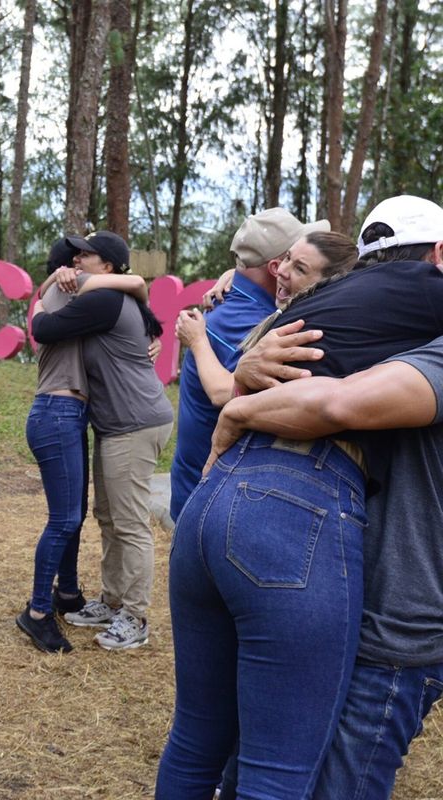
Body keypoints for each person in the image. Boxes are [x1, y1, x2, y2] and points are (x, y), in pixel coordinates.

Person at [155, 195, 443, 799]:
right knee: (275, 777)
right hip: (300, 507)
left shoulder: (328, 304)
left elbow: (244, 378)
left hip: (216, 496)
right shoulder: (423, 302)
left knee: (196, 741)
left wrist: (237, 399)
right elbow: (333, 404)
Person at [32, 231, 174, 651]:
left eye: (86, 255)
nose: (77, 260)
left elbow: (44, 327)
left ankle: (135, 615)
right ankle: (112, 601)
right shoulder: (109, 293)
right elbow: (138, 290)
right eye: (74, 255)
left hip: (134, 421)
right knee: (109, 517)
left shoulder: (103, 299)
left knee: (129, 522)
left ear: (108, 266)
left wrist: (40, 298)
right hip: (116, 423)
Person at [168, 207, 330, 525]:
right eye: (295, 258)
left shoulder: (235, 305)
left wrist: (229, 275)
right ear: (276, 266)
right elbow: (226, 394)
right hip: (215, 504)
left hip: (202, 495)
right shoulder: (249, 324)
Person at [176, 231, 357, 406]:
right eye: (287, 258)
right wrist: (233, 274)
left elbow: (223, 393)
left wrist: (197, 340)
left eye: (300, 268)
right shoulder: (278, 314)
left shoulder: (296, 332)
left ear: (331, 284)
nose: (280, 270)